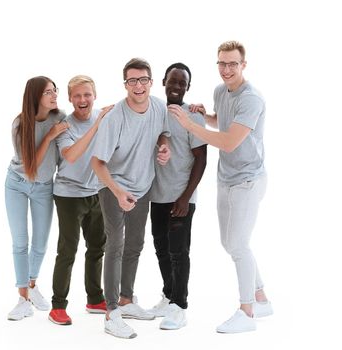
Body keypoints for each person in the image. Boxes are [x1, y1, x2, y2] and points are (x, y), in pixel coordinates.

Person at [169, 41, 273, 333]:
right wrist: (206, 116)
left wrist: (191, 125)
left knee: (238, 244)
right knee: (230, 243)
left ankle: (247, 311)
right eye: (222, 63)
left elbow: (229, 141)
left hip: (248, 180)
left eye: (233, 64)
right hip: (225, 177)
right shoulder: (219, 91)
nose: (227, 69)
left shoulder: (252, 99)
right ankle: (261, 297)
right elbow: (224, 125)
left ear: (243, 65)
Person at [91, 58, 171, 339]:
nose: (138, 86)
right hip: (112, 184)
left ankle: (127, 299)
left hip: (143, 184)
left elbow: (163, 133)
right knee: (116, 243)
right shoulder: (115, 117)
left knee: (136, 243)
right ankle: (112, 313)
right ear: (125, 84)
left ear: (151, 81)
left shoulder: (159, 107)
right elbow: (97, 163)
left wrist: (163, 146)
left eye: (143, 80)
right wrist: (118, 192)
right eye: (132, 81)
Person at [48, 75, 113, 325]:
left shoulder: (104, 116)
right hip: (68, 195)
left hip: (96, 192)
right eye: (77, 95)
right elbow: (72, 155)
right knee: (67, 250)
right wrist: (97, 126)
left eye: (87, 94)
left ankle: (95, 299)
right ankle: (58, 306)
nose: (82, 100)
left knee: (97, 247)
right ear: (70, 98)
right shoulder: (65, 125)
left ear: (94, 96)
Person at [147, 63, 207, 330]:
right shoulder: (155, 110)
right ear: (163, 82)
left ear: (188, 87)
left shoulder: (193, 117)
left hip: (181, 196)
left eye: (182, 83)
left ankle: (179, 306)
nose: (176, 87)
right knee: (160, 247)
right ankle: (169, 295)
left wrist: (185, 197)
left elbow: (201, 160)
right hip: (157, 194)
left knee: (178, 251)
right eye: (173, 81)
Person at [5, 76, 68, 321]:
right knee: (20, 242)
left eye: (55, 90)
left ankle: (31, 286)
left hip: (43, 187)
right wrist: (50, 135)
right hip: (17, 184)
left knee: (40, 243)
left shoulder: (60, 117)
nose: (54, 95)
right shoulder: (20, 124)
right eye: (48, 92)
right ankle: (22, 298)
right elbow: (31, 166)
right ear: (35, 97)